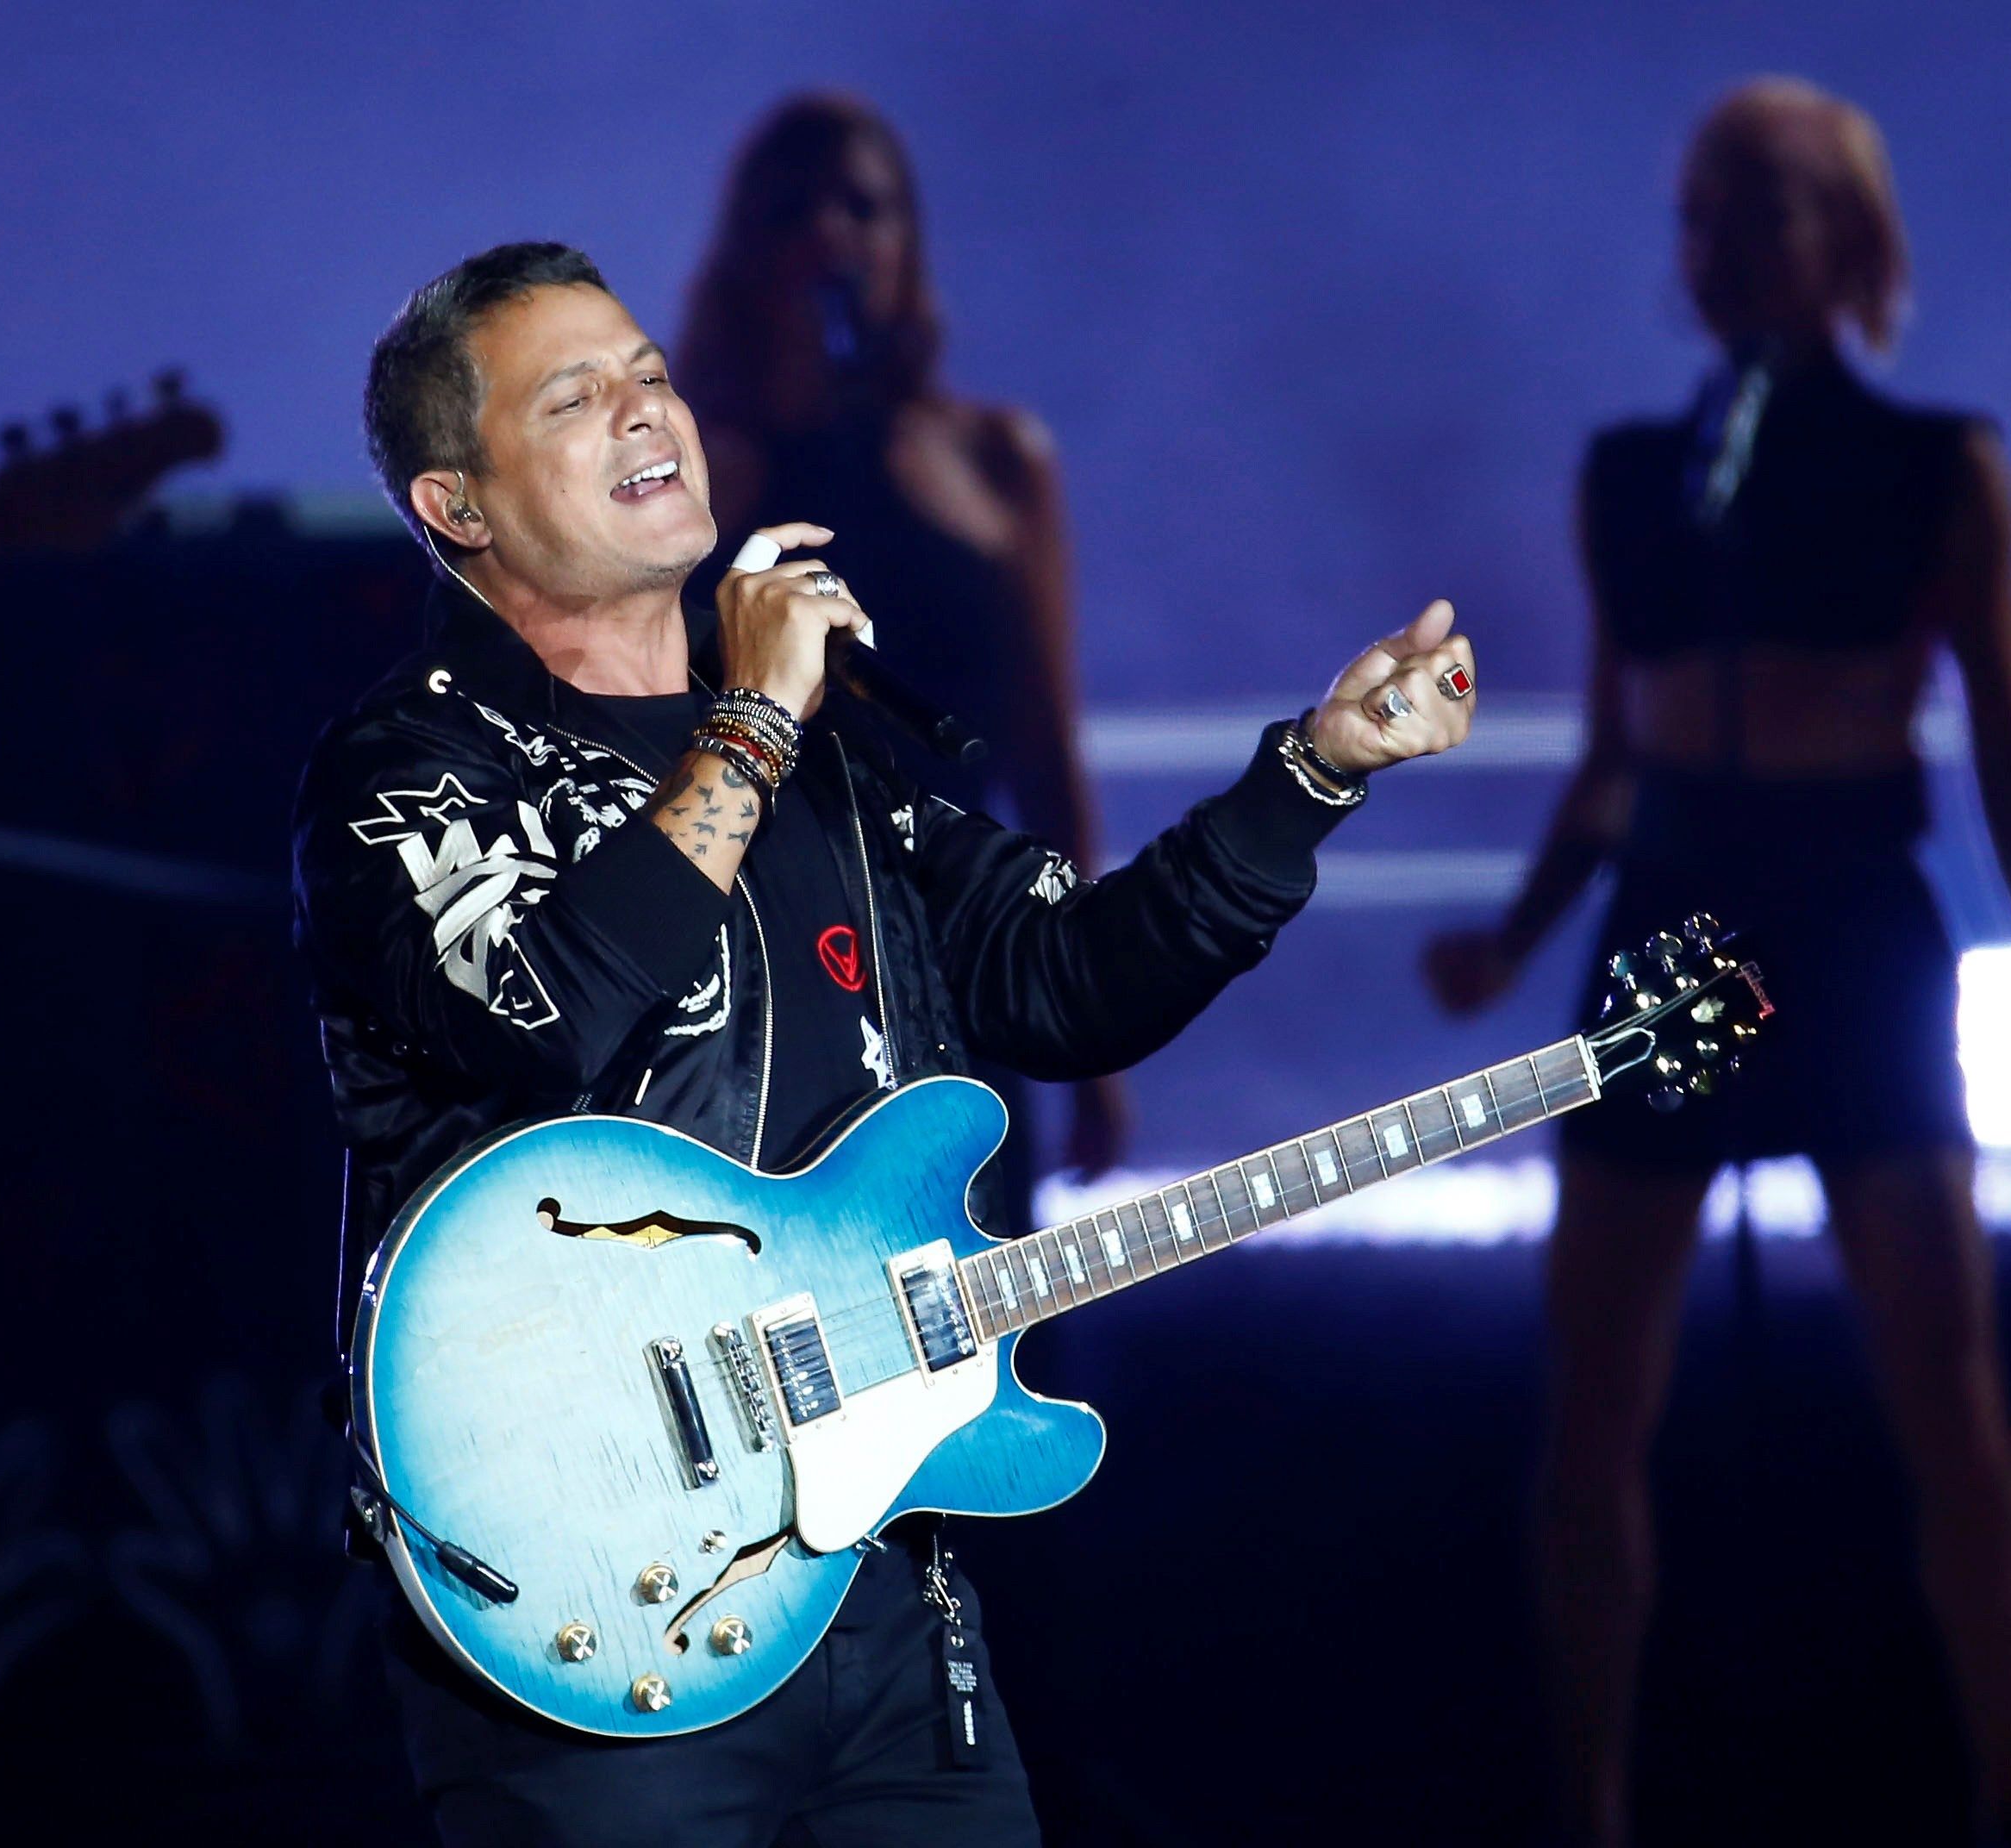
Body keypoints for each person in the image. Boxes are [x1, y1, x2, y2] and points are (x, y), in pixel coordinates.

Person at [294, 240, 1476, 1847]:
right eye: (577, 398)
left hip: (885, 1599)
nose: (650, 413)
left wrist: (1315, 777)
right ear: (459, 506)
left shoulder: (838, 765)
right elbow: (542, 1022)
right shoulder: (408, 765)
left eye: (651, 372)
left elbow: (1067, 983)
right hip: (591, 1603)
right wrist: (756, 719)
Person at [1422, 79, 2011, 1845]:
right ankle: (1587, 1800)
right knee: (1591, 1401)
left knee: (1942, 1384)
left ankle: (2008, 1783)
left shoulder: (1933, 465)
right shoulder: (1633, 477)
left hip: (1855, 922)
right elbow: (1612, 745)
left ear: (1851, 240)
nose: (1733, 240)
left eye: (1777, 205)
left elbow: (2008, 747)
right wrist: (1510, 940)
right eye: (1709, 210)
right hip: (1665, 919)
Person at [678, 92, 1121, 1211]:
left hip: (956, 957)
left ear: (905, 241)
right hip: (765, 970)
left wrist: (1095, 1033)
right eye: (793, 211)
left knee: (980, 1308)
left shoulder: (995, 458)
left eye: (862, 207)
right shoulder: (691, 470)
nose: (830, 235)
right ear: (745, 250)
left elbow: (1048, 760)